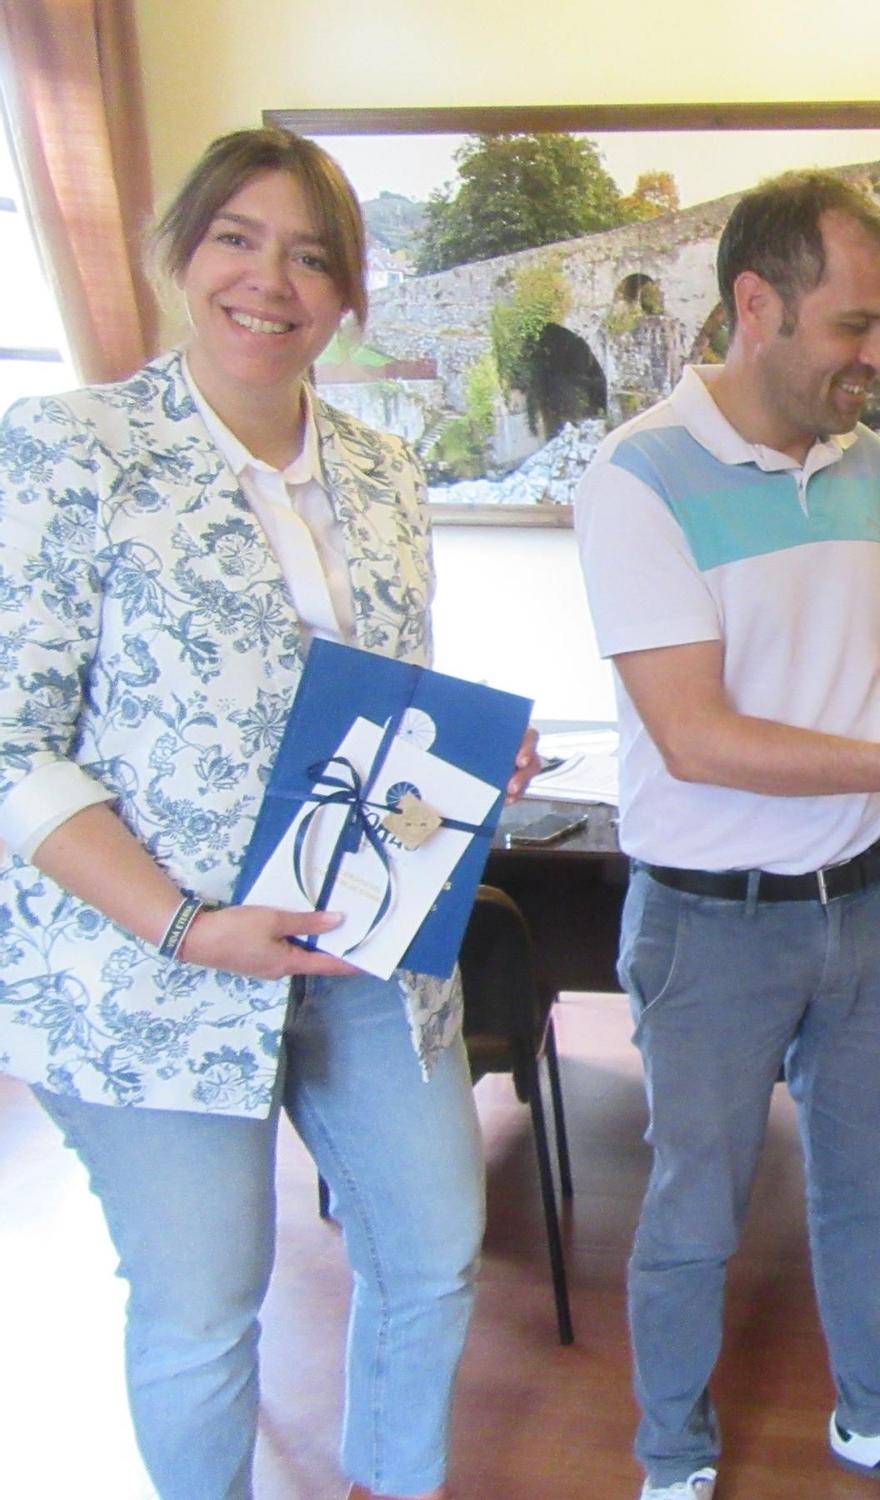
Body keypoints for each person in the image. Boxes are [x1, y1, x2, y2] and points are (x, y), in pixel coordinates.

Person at [0, 129, 538, 1500]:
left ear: (348, 293)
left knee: (430, 1246)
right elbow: (10, 747)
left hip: (361, 944)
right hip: (147, 965)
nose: (271, 279)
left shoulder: (382, 475)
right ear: (182, 253)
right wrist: (187, 926)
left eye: (312, 254)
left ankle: (387, 1485)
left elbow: (381, 709)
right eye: (238, 236)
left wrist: (465, 773)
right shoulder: (72, 451)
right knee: (202, 1310)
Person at [573, 169, 880, 1500]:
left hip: (871, 903)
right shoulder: (635, 479)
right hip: (710, 922)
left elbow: (857, 640)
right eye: (857, 325)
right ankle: (671, 1458)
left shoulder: (866, 464)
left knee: (867, 1190)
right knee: (693, 1212)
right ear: (755, 304)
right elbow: (700, 733)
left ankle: (874, 1412)